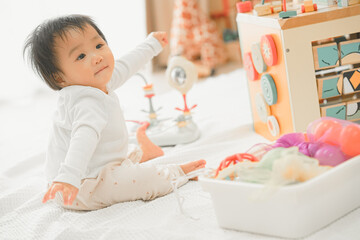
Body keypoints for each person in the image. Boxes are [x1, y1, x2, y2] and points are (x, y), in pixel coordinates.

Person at [23, 14, 206, 210]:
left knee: (123, 152)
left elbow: (126, 66)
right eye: (81, 56)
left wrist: (151, 45)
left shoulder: (93, 80)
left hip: (93, 169)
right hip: (80, 186)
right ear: (59, 78)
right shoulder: (86, 102)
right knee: (143, 180)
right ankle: (176, 172)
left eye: (99, 46)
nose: (97, 57)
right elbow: (82, 139)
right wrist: (69, 176)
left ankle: (145, 154)